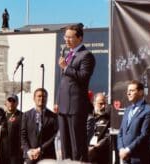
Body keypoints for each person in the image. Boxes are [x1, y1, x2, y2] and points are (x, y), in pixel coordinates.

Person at [55, 23, 96, 162]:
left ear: (79, 38)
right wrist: (58, 101)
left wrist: (66, 68)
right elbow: (65, 83)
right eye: (65, 37)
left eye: (70, 37)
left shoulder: (86, 55)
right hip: (63, 107)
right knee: (65, 146)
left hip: (76, 107)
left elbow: (83, 77)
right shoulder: (69, 54)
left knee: (77, 146)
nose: (66, 40)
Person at [117, 80, 150, 164]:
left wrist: (128, 150)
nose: (128, 93)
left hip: (141, 159)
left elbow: (144, 135)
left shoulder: (149, 111)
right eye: (128, 91)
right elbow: (120, 132)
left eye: (131, 90)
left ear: (141, 92)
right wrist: (121, 149)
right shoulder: (127, 110)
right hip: (126, 159)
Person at [21, 88, 58, 164]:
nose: (41, 98)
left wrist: (39, 149)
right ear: (34, 98)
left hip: (47, 157)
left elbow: (54, 136)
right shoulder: (26, 115)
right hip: (30, 157)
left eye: (44, 96)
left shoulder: (53, 117)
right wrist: (28, 150)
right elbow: (23, 135)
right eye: (39, 96)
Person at [87, 92, 110, 164]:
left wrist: (95, 148)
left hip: (101, 154)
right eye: (100, 104)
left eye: (104, 104)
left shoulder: (108, 119)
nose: (103, 106)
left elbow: (108, 137)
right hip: (86, 154)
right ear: (94, 103)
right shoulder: (87, 117)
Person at [5, 94, 23, 164]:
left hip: (15, 154)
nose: (11, 103)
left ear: (17, 103)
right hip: (3, 153)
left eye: (13, 101)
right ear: (6, 102)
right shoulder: (1, 116)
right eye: (9, 101)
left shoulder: (22, 116)